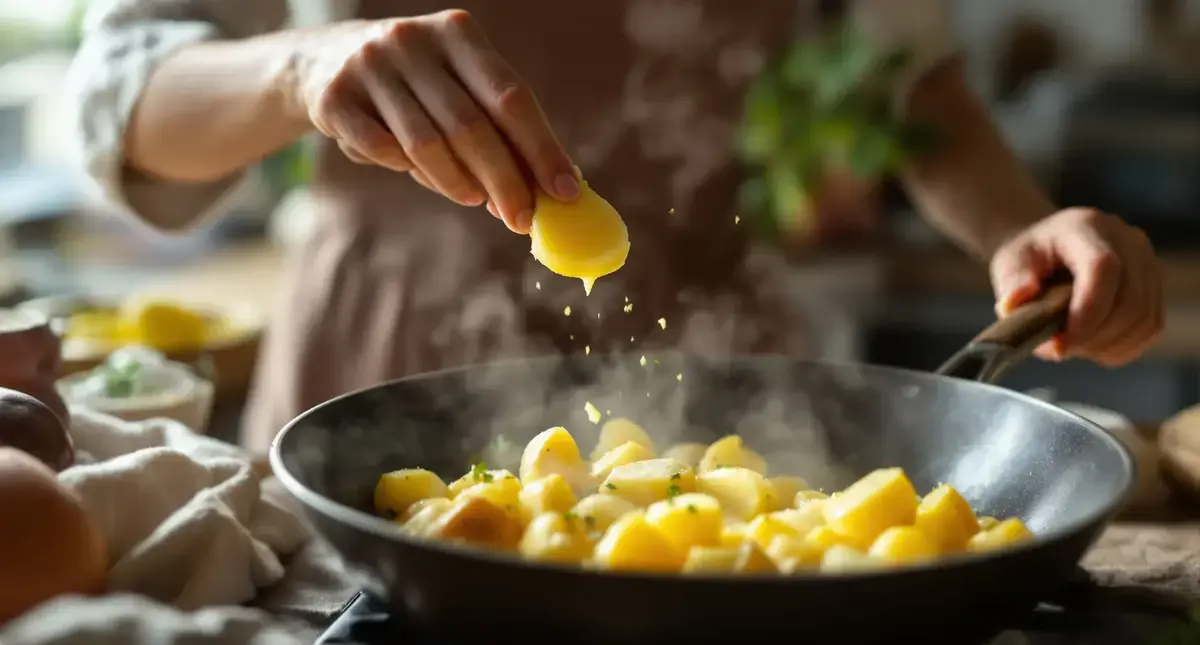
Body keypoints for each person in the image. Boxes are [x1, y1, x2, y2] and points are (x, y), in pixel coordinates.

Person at [67, 0, 1163, 450]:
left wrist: (1025, 228)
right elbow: (129, 105)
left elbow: (908, 84)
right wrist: (300, 69)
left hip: (730, 398)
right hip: (383, 385)